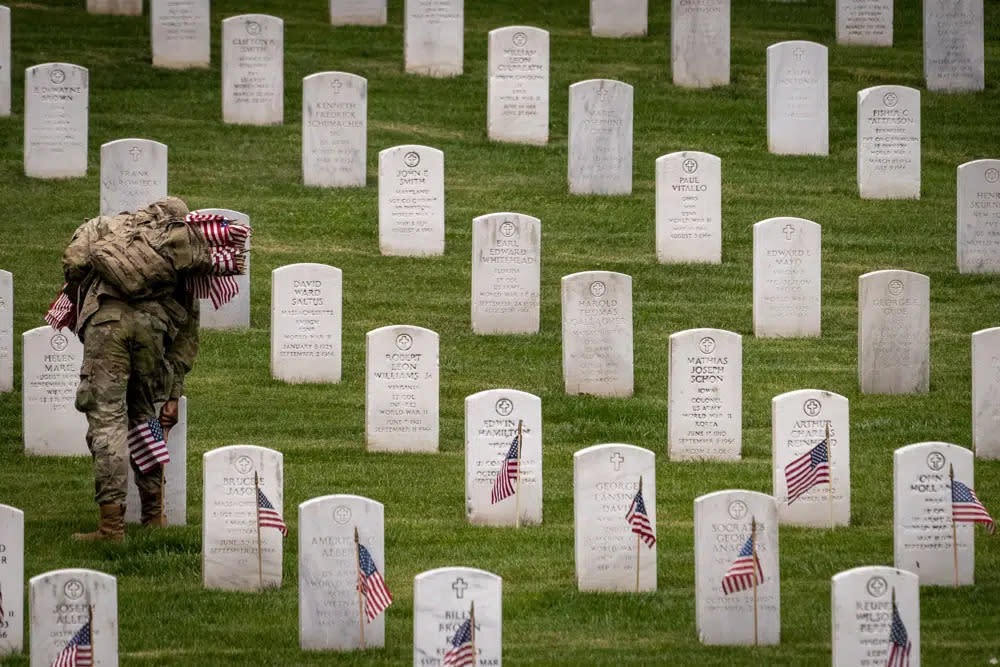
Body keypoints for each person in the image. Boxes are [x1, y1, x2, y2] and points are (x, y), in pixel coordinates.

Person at [61, 197, 210, 542]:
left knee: (108, 419)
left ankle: (110, 528)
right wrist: (174, 392)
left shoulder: (108, 226)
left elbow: (73, 263)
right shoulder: (181, 249)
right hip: (153, 333)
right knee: (146, 420)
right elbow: (187, 331)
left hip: (107, 326)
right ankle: (153, 516)